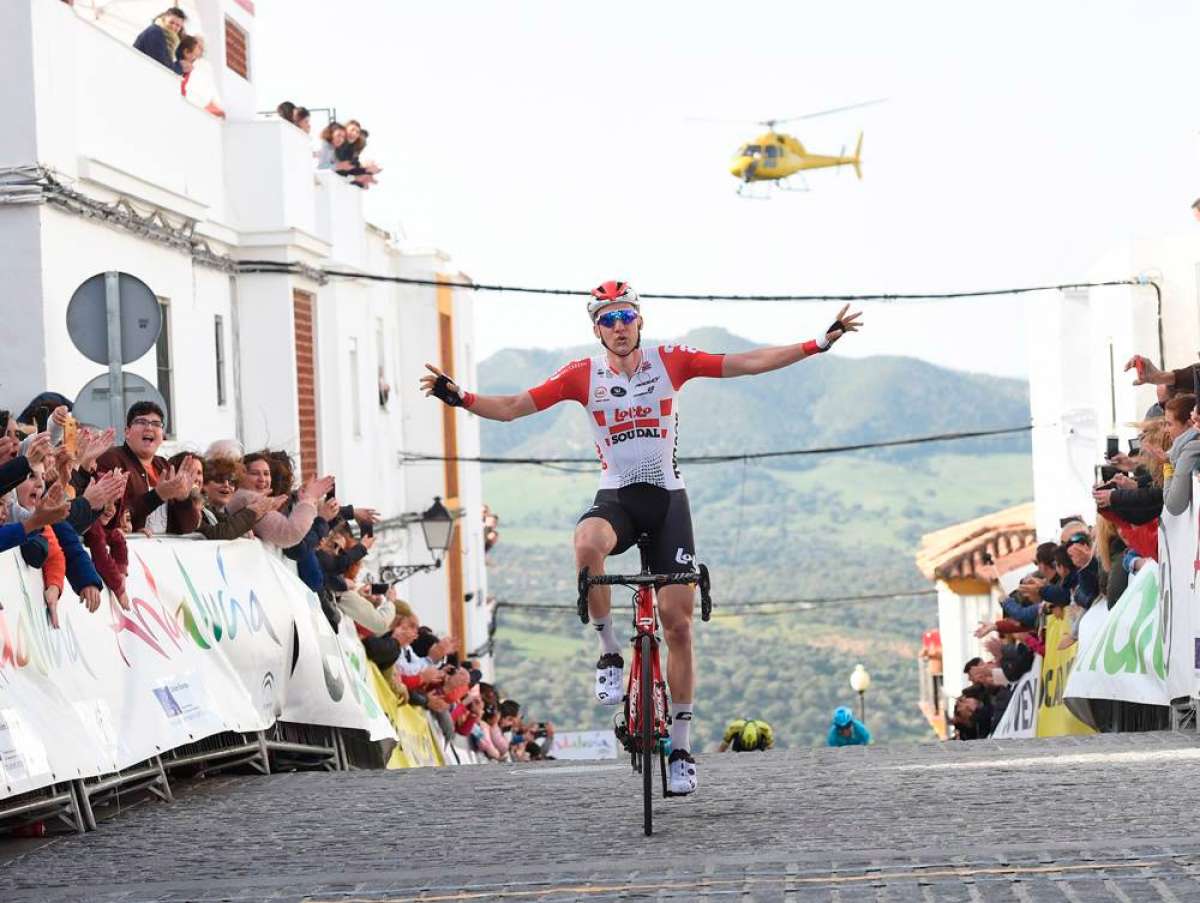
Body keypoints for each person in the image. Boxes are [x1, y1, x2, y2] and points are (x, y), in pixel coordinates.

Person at [421, 280, 863, 795]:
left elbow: (744, 363)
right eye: (607, 319)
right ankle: (610, 650)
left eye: (625, 315)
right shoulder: (582, 375)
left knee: (678, 626)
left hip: (668, 502)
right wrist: (462, 398)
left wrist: (818, 343)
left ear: (640, 320)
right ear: (596, 330)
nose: (618, 326)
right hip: (619, 499)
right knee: (587, 543)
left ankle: (679, 745)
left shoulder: (670, 361)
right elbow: (517, 405)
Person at [94, 402, 199, 534]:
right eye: (141, 422)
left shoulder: (164, 466)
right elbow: (109, 514)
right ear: (127, 432)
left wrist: (183, 499)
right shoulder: (111, 459)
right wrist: (158, 496)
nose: (149, 427)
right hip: (130, 548)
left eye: (156, 424)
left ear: (162, 435)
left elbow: (189, 528)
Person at [132, 7, 187, 71]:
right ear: (164, 19)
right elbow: (163, 65)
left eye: (178, 25)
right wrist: (180, 67)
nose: (174, 27)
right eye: (171, 22)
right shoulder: (155, 32)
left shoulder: (170, 41)